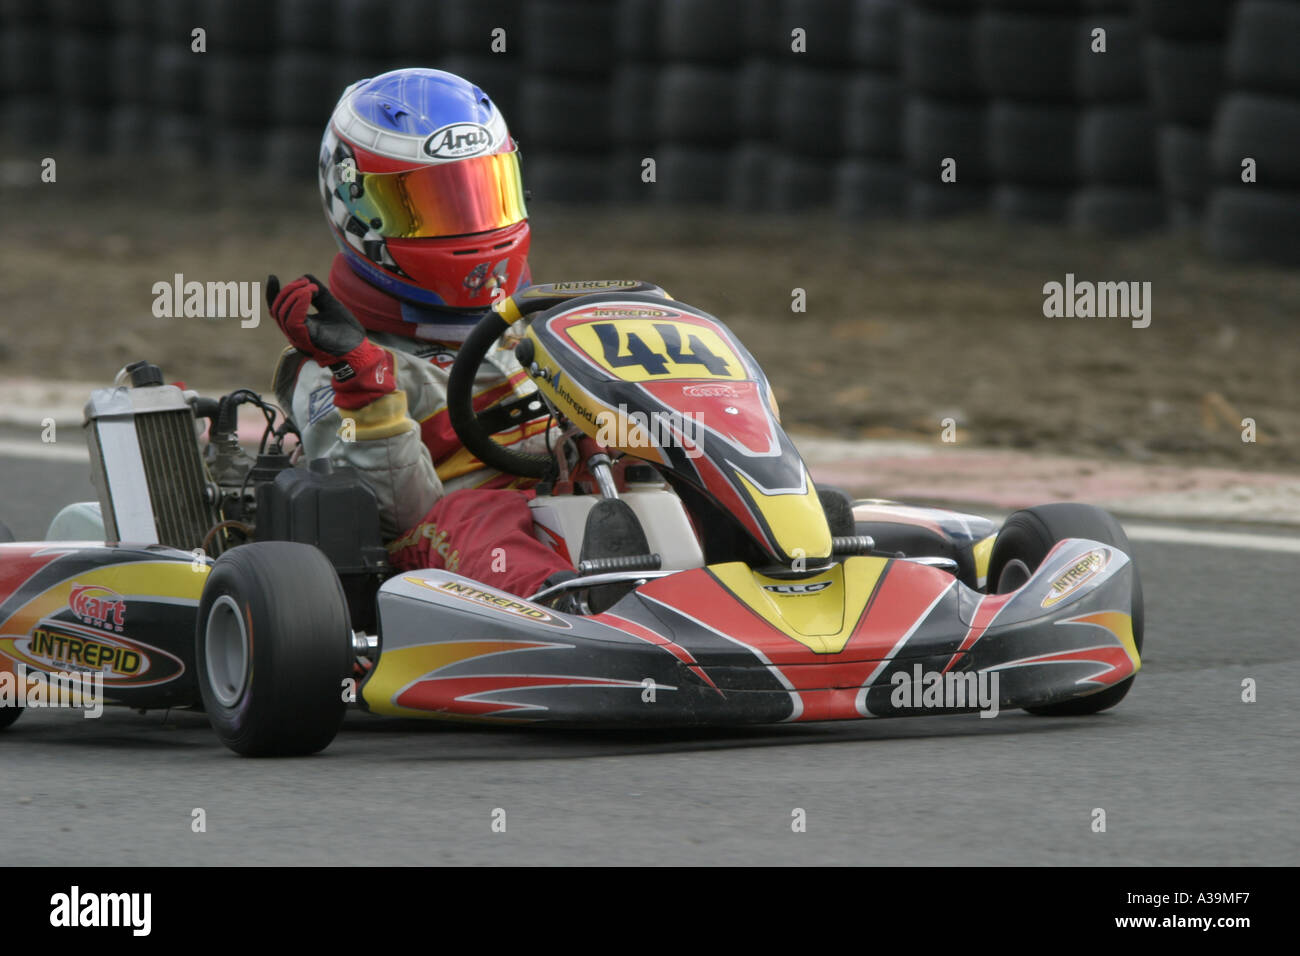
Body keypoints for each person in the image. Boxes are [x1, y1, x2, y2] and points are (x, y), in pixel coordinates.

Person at [268, 67, 575, 599]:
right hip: (450, 546)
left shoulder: (544, 320)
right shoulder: (333, 364)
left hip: (573, 494)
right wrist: (366, 389)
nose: (470, 224)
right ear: (355, 209)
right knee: (478, 515)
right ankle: (573, 614)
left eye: (483, 194)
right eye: (429, 207)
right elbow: (396, 513)